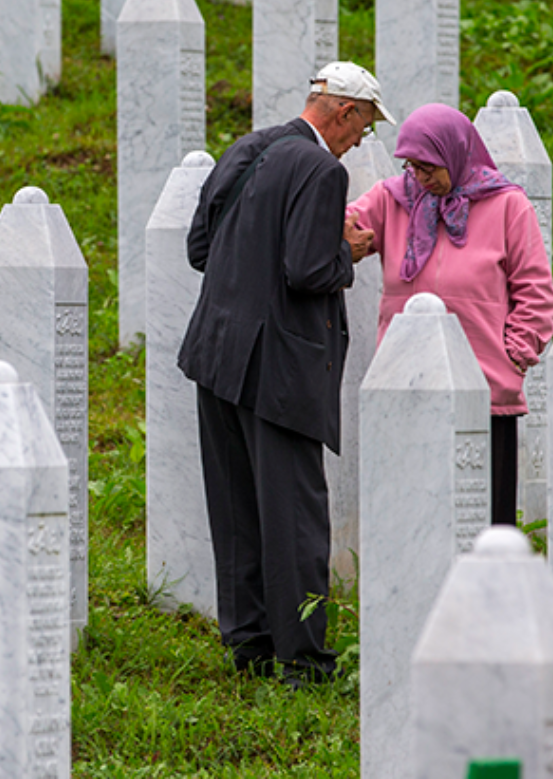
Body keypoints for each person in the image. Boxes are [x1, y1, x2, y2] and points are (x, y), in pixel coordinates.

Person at [177, 61, 389, 688]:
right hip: (279, 369)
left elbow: (201, 249)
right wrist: (346, 252)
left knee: (237, 507)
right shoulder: (324, 170)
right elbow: (307, 271)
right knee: (295, 514)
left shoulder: (249, 146)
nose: (361, 142)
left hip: (216, 354)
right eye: (364, 128)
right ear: (344, 112)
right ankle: (304, 663)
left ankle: (250, 646)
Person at [346, 102, 553, 525]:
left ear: (454, 154)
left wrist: (512, 355)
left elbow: (536, 293)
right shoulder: (393, 200)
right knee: (413, 519)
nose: (421, 179)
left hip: (486, 388)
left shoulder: (507, 206)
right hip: (407, 382)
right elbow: (341, 225)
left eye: (429, 168)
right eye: (412, 167)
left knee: (481, 517)